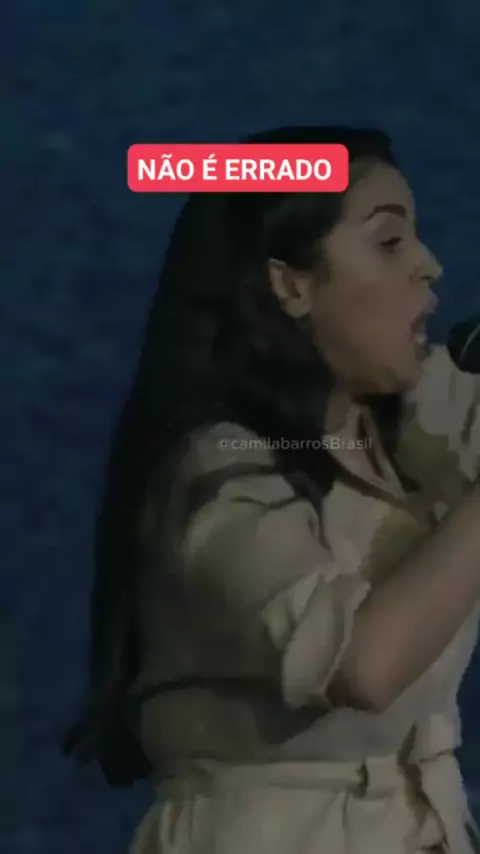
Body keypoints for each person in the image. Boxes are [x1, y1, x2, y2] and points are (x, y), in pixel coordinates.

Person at [65, 126, 480, 853]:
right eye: (389, 242)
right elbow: (362, 668)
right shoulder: (215, 470)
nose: (429, 266)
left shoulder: (416, 422)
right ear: (290, 284)